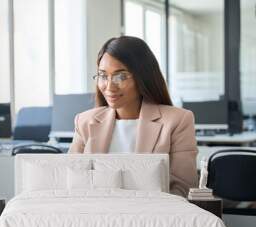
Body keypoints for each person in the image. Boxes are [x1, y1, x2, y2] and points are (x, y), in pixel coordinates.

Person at [68, 36, 198, 197]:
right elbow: (71, 183)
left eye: (120, 76)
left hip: (153, 217)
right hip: (96, 215)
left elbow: (183, 188)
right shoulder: (84, 122)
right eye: (103, 76)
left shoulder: (177, 120)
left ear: (142, 76)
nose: (109, 86)